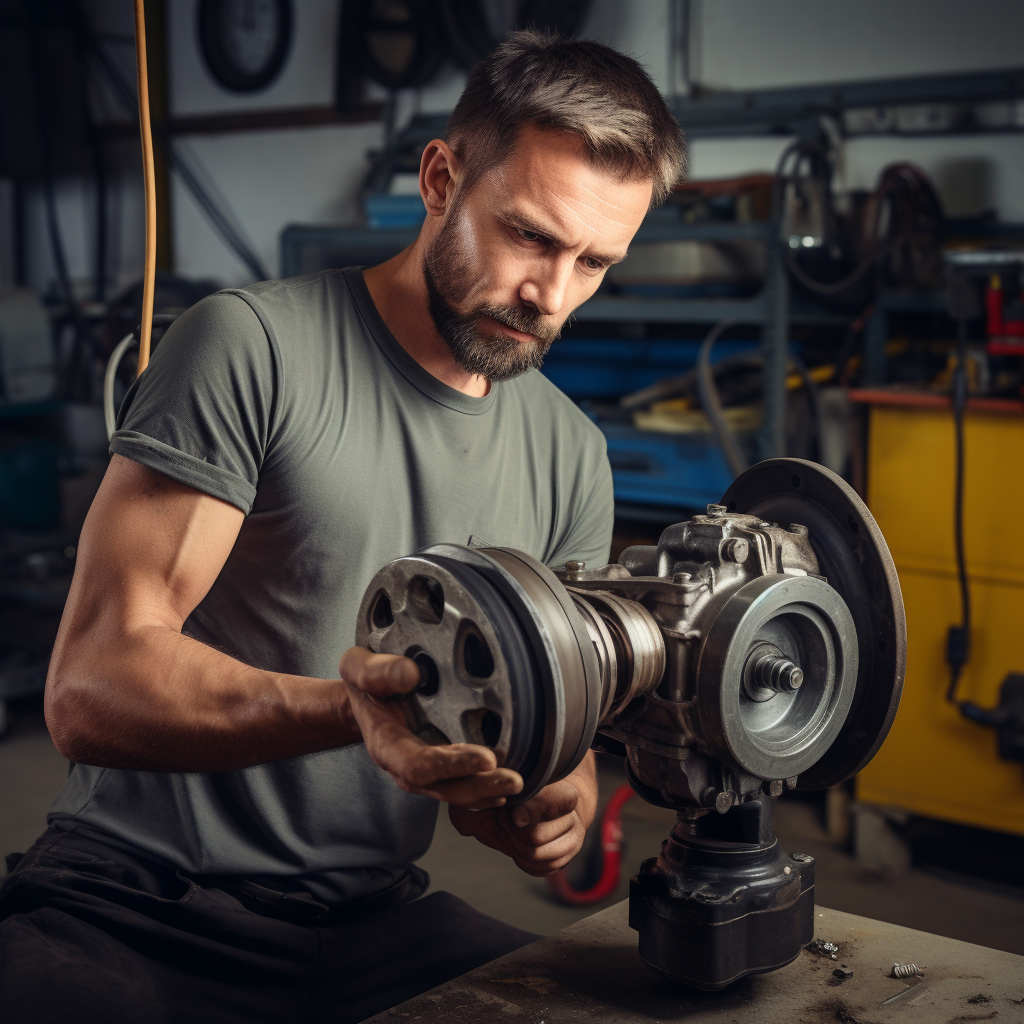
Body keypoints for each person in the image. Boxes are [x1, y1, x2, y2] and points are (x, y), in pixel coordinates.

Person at [0, 30, 683, 1024]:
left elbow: (558, 737)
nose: (551, 296)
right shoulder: (251, 347)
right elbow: (90, 683)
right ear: (442, 178)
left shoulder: (571, 451)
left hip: (370, 918)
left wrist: (546, 805)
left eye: (594, 262)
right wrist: (351, 713)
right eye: (531, 236)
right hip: (136, 899)